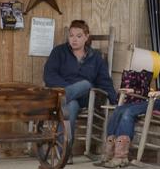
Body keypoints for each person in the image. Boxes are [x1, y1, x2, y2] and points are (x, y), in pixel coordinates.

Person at [99, 46, 160, 168]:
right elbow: (158, 90)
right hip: (158, 102)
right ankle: (109, 152)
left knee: (129, 112)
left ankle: (120, 156)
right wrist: (135, 90)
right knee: (120, 109)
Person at [42, 19, 116, 155]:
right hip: (66, 96)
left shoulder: (96, 57)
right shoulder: (59, 52)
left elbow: (104, 80)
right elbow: (49, 75)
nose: (74, 39)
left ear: (86, 37)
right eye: (71, 35)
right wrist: (69, 89)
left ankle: (60, 100)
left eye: (78, 36)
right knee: (71, 107)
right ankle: (64, 154)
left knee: (86, 84)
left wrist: (114, 100)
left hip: (85, 97)